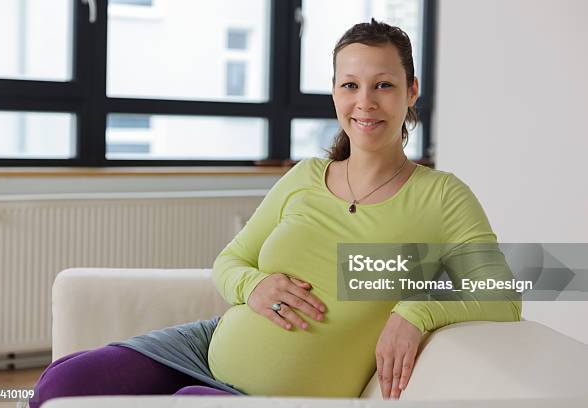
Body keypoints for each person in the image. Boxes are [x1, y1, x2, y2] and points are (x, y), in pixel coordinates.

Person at [29, 19, 521, 407]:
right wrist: (253, 286)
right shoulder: (306, 176)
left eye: (383, 85)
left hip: (274, 396)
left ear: (411, 92)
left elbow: (513, 288)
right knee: (61, 386)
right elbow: (229, 263)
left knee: (185, 404)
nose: (364, 102)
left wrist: (416, 311)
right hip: (204, 346)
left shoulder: (440, 195)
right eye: (350, 85)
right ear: (334, 93)